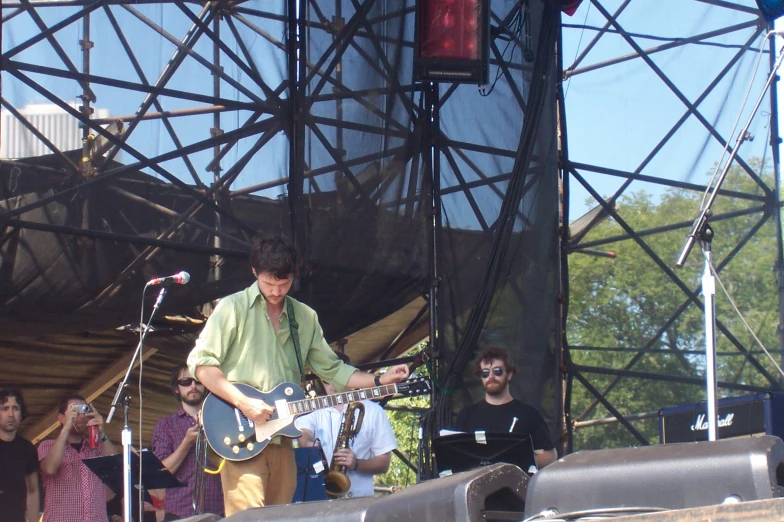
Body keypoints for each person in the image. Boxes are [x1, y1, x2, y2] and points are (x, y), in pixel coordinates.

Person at [188, 234, 409, 515]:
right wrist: (245, 403)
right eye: (269, 283)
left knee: (282, 517)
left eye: (284, 283)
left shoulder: (304, 317)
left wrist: (380, 380)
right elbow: (202, 365)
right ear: (254, 272)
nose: (277, 291)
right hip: (241, 434)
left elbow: (334, 369)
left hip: (283, 439)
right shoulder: (233, 307)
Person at [295, 353, 397, 498]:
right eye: (327, 380)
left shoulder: (374, 411)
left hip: (359, 499)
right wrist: (310, 446)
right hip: (319, 498)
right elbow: (303, 435)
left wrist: (356, 464)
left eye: (338, 378)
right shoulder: (313, 409)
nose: (333, 385)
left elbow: (384, 463)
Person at [454, 346, 557, 469]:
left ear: (509, 374)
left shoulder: (528, 414)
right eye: (485, 373)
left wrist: (518, 460)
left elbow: (551, 455)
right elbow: (455, 456)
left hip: (516, 486)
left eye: (497, 371)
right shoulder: (466, 415)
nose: (490, 377)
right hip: (475, 486)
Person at [151, 364, 224, 518]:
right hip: (180, 511)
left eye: (197, 381)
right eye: (185, 382)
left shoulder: (221, 419)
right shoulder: (166, 425)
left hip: (220, 509)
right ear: (177, 388)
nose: (192, 386)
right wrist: (187, 442)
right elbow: (161, 472)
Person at [38, 394, 119, 522]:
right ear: (61, 418)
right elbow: (49, 468)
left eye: (84, 410)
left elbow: (117, 466)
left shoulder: (97, 447)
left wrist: (102, 433)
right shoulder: (48, 445)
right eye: (75, 410)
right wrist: (66, 427)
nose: (81, 416)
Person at [0, 387, 39, 522]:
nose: (11, 414)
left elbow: (33, 491)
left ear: (21, 412)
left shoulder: (27, 449)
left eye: (15, 408)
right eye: (4, 408)